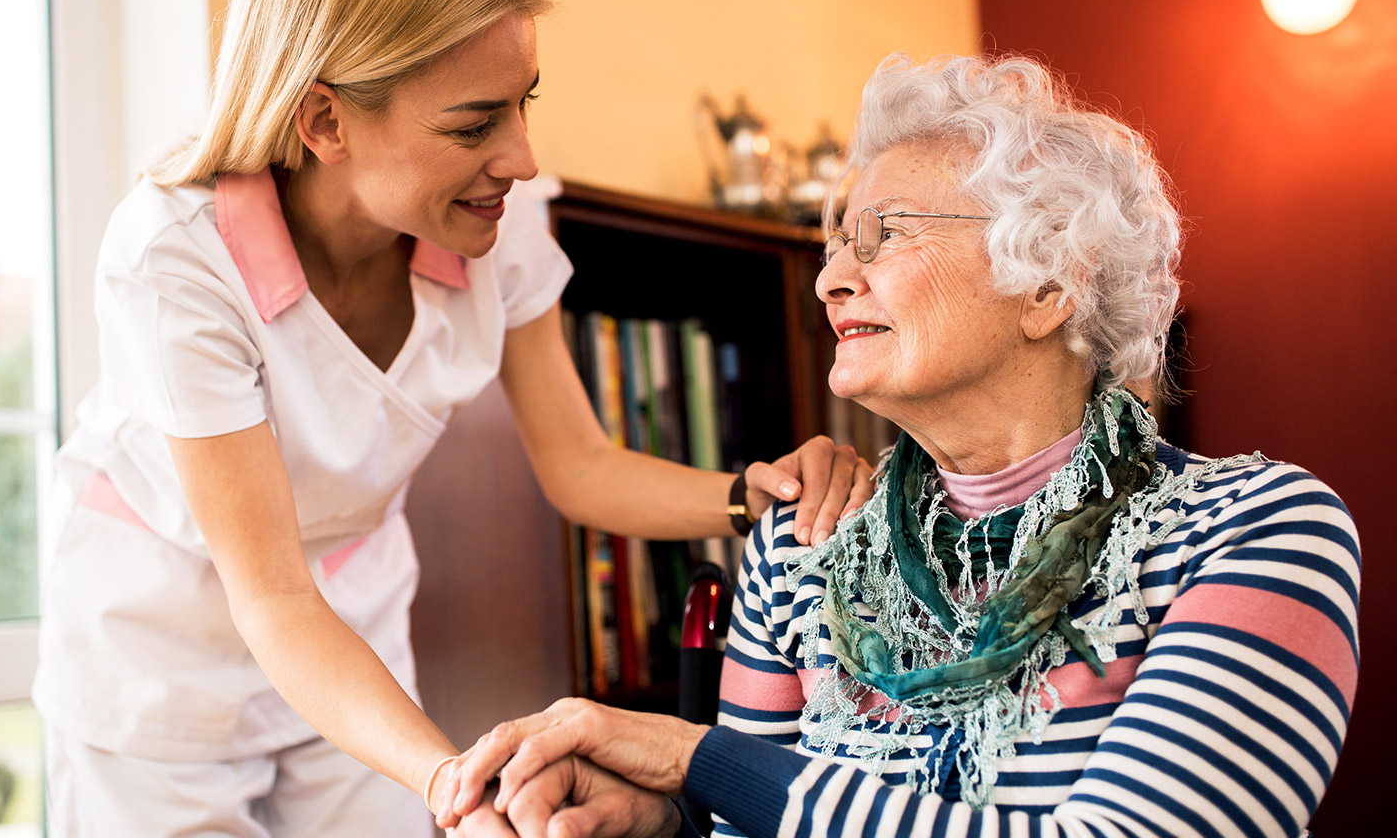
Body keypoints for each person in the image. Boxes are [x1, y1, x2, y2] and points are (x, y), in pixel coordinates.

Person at [439, 52, 1362, 838]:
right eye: (836, 243)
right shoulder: (800, 550)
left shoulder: (1257, 532)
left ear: (1048, 283)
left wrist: (699, 762)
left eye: (883, 235)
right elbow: (748, 821)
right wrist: (664, 815)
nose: (832, 280)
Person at [30, 0, 875, 834]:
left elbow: (579, 463)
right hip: (165, 636)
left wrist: (753, 493)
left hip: (349, 617)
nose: (522, 158)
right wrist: (449, 782)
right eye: (474, 124)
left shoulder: (492, 222)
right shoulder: (177, 261)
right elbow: (275, 598)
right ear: (324, 121)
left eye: (523, 106)